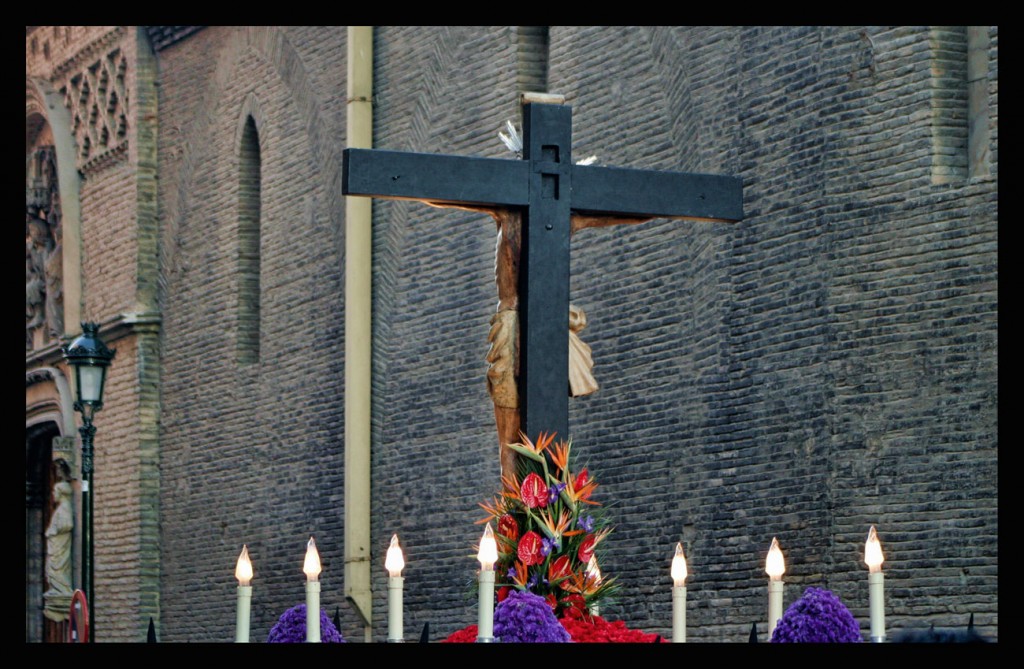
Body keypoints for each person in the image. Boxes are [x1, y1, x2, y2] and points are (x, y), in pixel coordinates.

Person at [43, 479, 74, 622]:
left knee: (57, 567)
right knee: (53, 568)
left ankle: (63, 591)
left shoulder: (64, 507)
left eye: (55, 491)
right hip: (57, 545)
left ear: (61, 493)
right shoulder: (62, 507)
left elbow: (68, 524)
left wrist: (52, 531)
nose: (53, 494)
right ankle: (59, 590)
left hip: (60, 546)